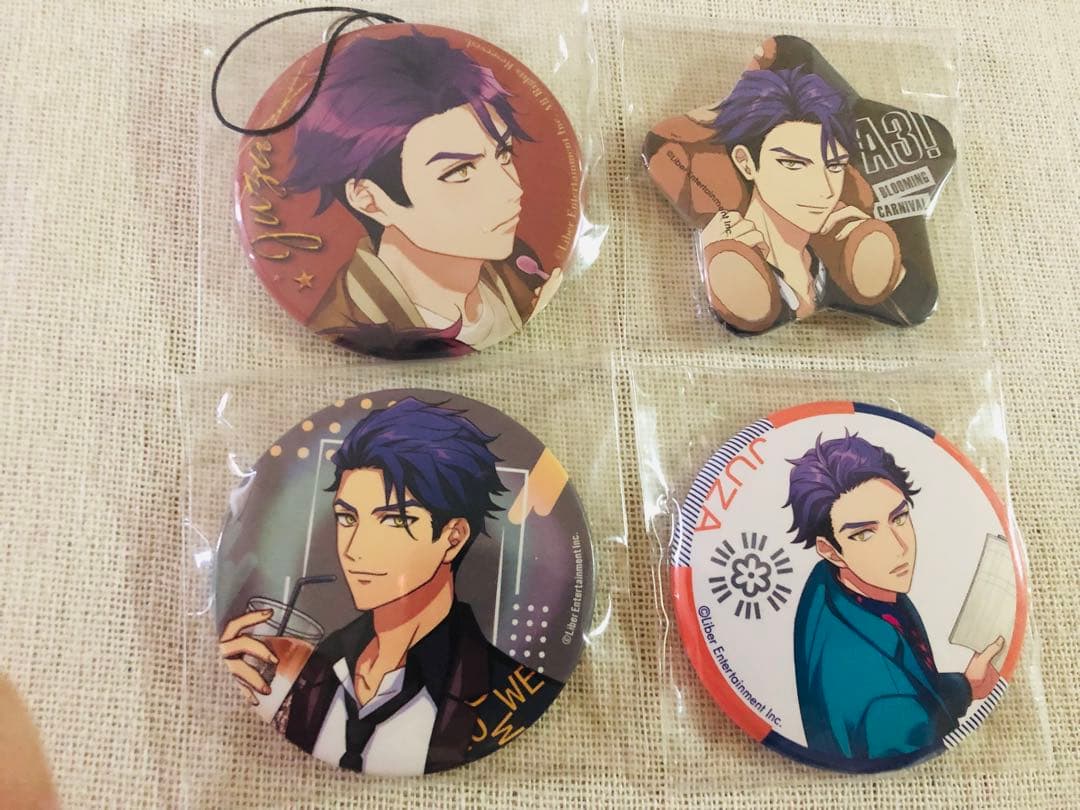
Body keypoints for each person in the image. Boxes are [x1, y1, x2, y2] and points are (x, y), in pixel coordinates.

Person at [219, 399, 558, 774]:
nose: (355, 549)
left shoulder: (503, 686)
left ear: (453, 537)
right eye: (347, 517)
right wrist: (249, 691)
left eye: (394, 520)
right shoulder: (313, 667)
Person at [286, 29, 561, 356]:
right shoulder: (351, 323)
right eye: (460, 172)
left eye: (503, 154)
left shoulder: (524, 270)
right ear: (370, 199)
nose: (512, 190)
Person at [784, 433, 1004, 763]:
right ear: (830, 550)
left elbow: (909, 686)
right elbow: (907, 734)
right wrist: (966, 690)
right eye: (864, 534)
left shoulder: (836, 581)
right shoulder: (875, 693)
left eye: (899, 518)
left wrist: (964, 686)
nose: (898, 547)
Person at [644, 66, 905, 333]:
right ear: (746, 163)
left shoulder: (829, 263)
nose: (824, 190)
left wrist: (879, 264)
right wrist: (723, 261)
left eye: (834, 166)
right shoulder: (736, 255)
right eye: (793, 164)